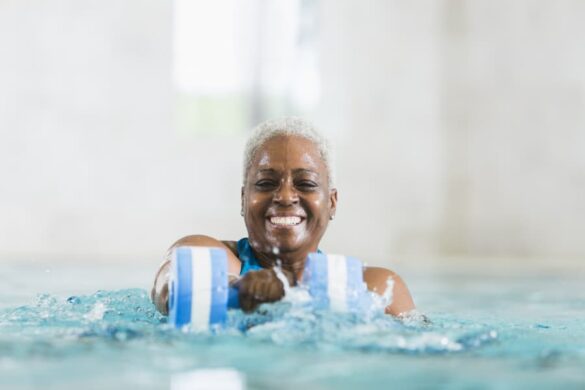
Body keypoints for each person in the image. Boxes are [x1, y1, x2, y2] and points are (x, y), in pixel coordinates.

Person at [151, 117, 415, 316]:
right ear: (243, 199)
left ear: (332, 203)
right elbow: (169, 286)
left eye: (306, 184)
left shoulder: (374, 287)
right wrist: (238, 291)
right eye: (266, 183)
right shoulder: (209, 253)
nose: (286, 197)